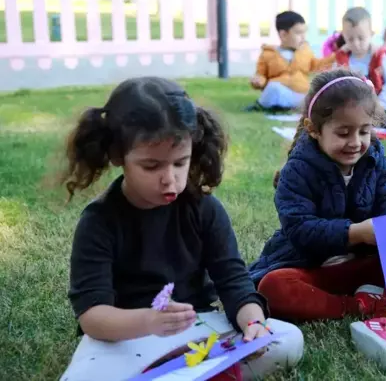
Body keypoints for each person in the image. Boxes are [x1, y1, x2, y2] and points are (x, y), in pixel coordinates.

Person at [59, 77, 303, 381]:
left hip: (196, 329)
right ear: (118, 156)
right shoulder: (98, 221)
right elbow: (93, 315)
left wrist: (254, 324)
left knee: (287, 340)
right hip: (124, 336)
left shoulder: (205, 209)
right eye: (151, 166)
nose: (169, 178)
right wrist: (149, 322)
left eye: (180, 162)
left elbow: (234, 282)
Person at [249, 69, 386, 373]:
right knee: (273, 287)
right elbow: (300, 230)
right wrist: (356, 233)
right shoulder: (298, 171)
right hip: (312, 268)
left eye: (364, 131)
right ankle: (360, 307)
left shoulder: (375, 158)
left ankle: (383, 319)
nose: (356, 142)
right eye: (343, 133)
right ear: (314, 129)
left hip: (362, 264)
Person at [246, 11, 336, 112]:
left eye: (304, 32)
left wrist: (334, 57)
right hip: (279, 92)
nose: (303, 37)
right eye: (298, 33)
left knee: (317, 95)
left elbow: (317, 65)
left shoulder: (305, 51)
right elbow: (261, 75)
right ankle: (267, 105)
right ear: (283, 35)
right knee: (273, 87)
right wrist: (258, 81)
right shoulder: (268, 54)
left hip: (300, 93)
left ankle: (286, 107)